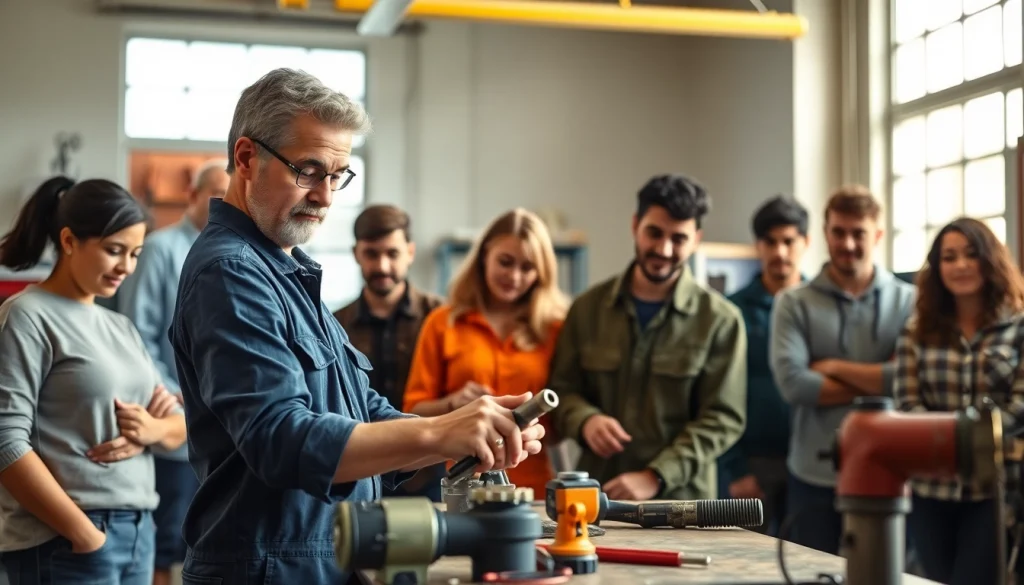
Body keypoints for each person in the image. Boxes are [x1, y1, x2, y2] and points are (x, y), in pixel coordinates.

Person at [167, 68, 546, 585]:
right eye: (308, 170)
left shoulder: (284, 270)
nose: (325, 197)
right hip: (269, 567)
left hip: (322, 557)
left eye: (337, 175)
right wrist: (439, 429)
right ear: (246, 158)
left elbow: (362, 412)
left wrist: (460, 436)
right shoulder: (231, 272)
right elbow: (280, 440)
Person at [0, 177, 187, 584]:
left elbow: (178, 424)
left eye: (135, 253)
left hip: (138, 532)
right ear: (69, 241)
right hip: (64, 539)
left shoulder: (121, 327)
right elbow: (5, 441)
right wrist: (83, 533)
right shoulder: (27, 315)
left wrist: (150, 430)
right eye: (114, 250)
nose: (127, 267)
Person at [548, 174, 747, 501]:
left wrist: (656, 476)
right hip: (596, 494)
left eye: (678, 238)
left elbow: (722, 419)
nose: (664, 249)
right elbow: (561, 390)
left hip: (681, 503)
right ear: (635, 225)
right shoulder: (587, 309)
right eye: (654, 232)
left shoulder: (720, 321)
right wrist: (585, 420)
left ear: (696, 239)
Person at [770, 185, 915, 554]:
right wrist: (877, 381)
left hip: (888, 473)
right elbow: (795, 386)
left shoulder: (909, 301)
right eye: (838, 232)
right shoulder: (792, 303)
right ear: (825, 233)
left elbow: (909, 382)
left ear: (878, 235)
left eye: (858, 233)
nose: (847, 243)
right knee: (808, 577)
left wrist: (833, 367)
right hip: (811, 477)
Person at [893, 217, 1024, 585]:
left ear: (990, 260)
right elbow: (906, 406)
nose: (961, 265)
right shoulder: (915, 331)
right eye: (949, 257)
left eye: (971, 254)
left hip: (995, 488)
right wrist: (960, 439)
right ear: (937, 269)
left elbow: (1020, 405)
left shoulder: (1019, 327)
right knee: (933, 579)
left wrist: (959, 439)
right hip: (929, 489)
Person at [116, 159, 229, 585]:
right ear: (192, 196)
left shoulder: (234, 253)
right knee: (167, 543)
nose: (222, 201)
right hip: (174, 420)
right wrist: (173, 395)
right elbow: (138, 333)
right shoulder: (161, 250)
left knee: (209, 540)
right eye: (215, 193)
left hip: (223, 424)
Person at [403, 208, 568, 496]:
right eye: (505, 262)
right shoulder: (443, 323)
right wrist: (453, 403)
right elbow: (412, 413)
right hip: (465, 484)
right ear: (483, 257)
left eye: (527, 268)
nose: (514, 276)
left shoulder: (555, 329)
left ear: (542, 273)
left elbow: (564, 418)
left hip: (535, 491)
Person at [333, 204, 445, 499]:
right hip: (358, 475)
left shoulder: (441, 318)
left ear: (410, 252)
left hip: (428, 473)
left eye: (392, 253)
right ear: (356, 253)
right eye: (372, 253)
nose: (382, 266)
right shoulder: (334, 324)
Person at [717, 195, 808, 536]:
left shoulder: (821, 305)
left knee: (811, 562)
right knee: (744, 563)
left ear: (806, 242)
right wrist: (735, 468)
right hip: (752, 463)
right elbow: (719, 394)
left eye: (789, 241)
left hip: (811, 462)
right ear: (758, 245)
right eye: (770, 242)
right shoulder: (732, 311)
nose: (780, 252)